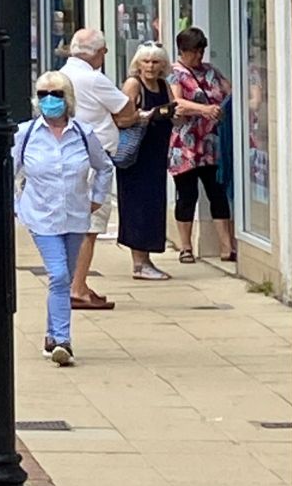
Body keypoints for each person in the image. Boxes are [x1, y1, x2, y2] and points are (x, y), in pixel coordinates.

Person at [13, 72, 113, 367]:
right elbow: (10, 168)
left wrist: (97, 197)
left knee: (64, 278)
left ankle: (50, 334)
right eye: (43, 94)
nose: (49, 100)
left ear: (67, 98)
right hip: (41, 216)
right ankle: (62, 340)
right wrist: (15, 205)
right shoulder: (26, 133)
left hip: (75, 216)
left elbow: (104, 167)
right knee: (57, 275)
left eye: (55, 94)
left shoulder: (84, 133)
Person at [59, 29, 137, 310]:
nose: (104, 57)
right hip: (94, 160)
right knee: (89, 227)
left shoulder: (61, 75)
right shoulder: (94, 79)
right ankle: (77, 288)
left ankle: (74, 283)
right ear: (95, 53)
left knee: (72, 225)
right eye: (103, 52)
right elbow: (127, 111)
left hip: (67, 157)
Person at [168, 27, 236, 263]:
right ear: (182, 51)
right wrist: (204, 110)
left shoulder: (211, 72)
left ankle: (227, 246)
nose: (198, 56)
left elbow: (231, 92)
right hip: (185, 145)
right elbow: (176, 104)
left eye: (201, 51)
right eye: (194, 52)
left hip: (210, 144)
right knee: (187, 195)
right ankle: (185, 246)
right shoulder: (174, 73)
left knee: (217, 193)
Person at [117, 42, 177, 280]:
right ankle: (139, 263)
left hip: (156, 155)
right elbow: (121, 117)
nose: (150, 67)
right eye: (146, 61)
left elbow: (173, 109)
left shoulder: (164, 85)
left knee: (153, 205)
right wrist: (143, 116)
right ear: (138, 63)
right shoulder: (133, 84)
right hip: (136, 156)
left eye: (155, 62)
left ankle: (146, 258)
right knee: (137, 206)